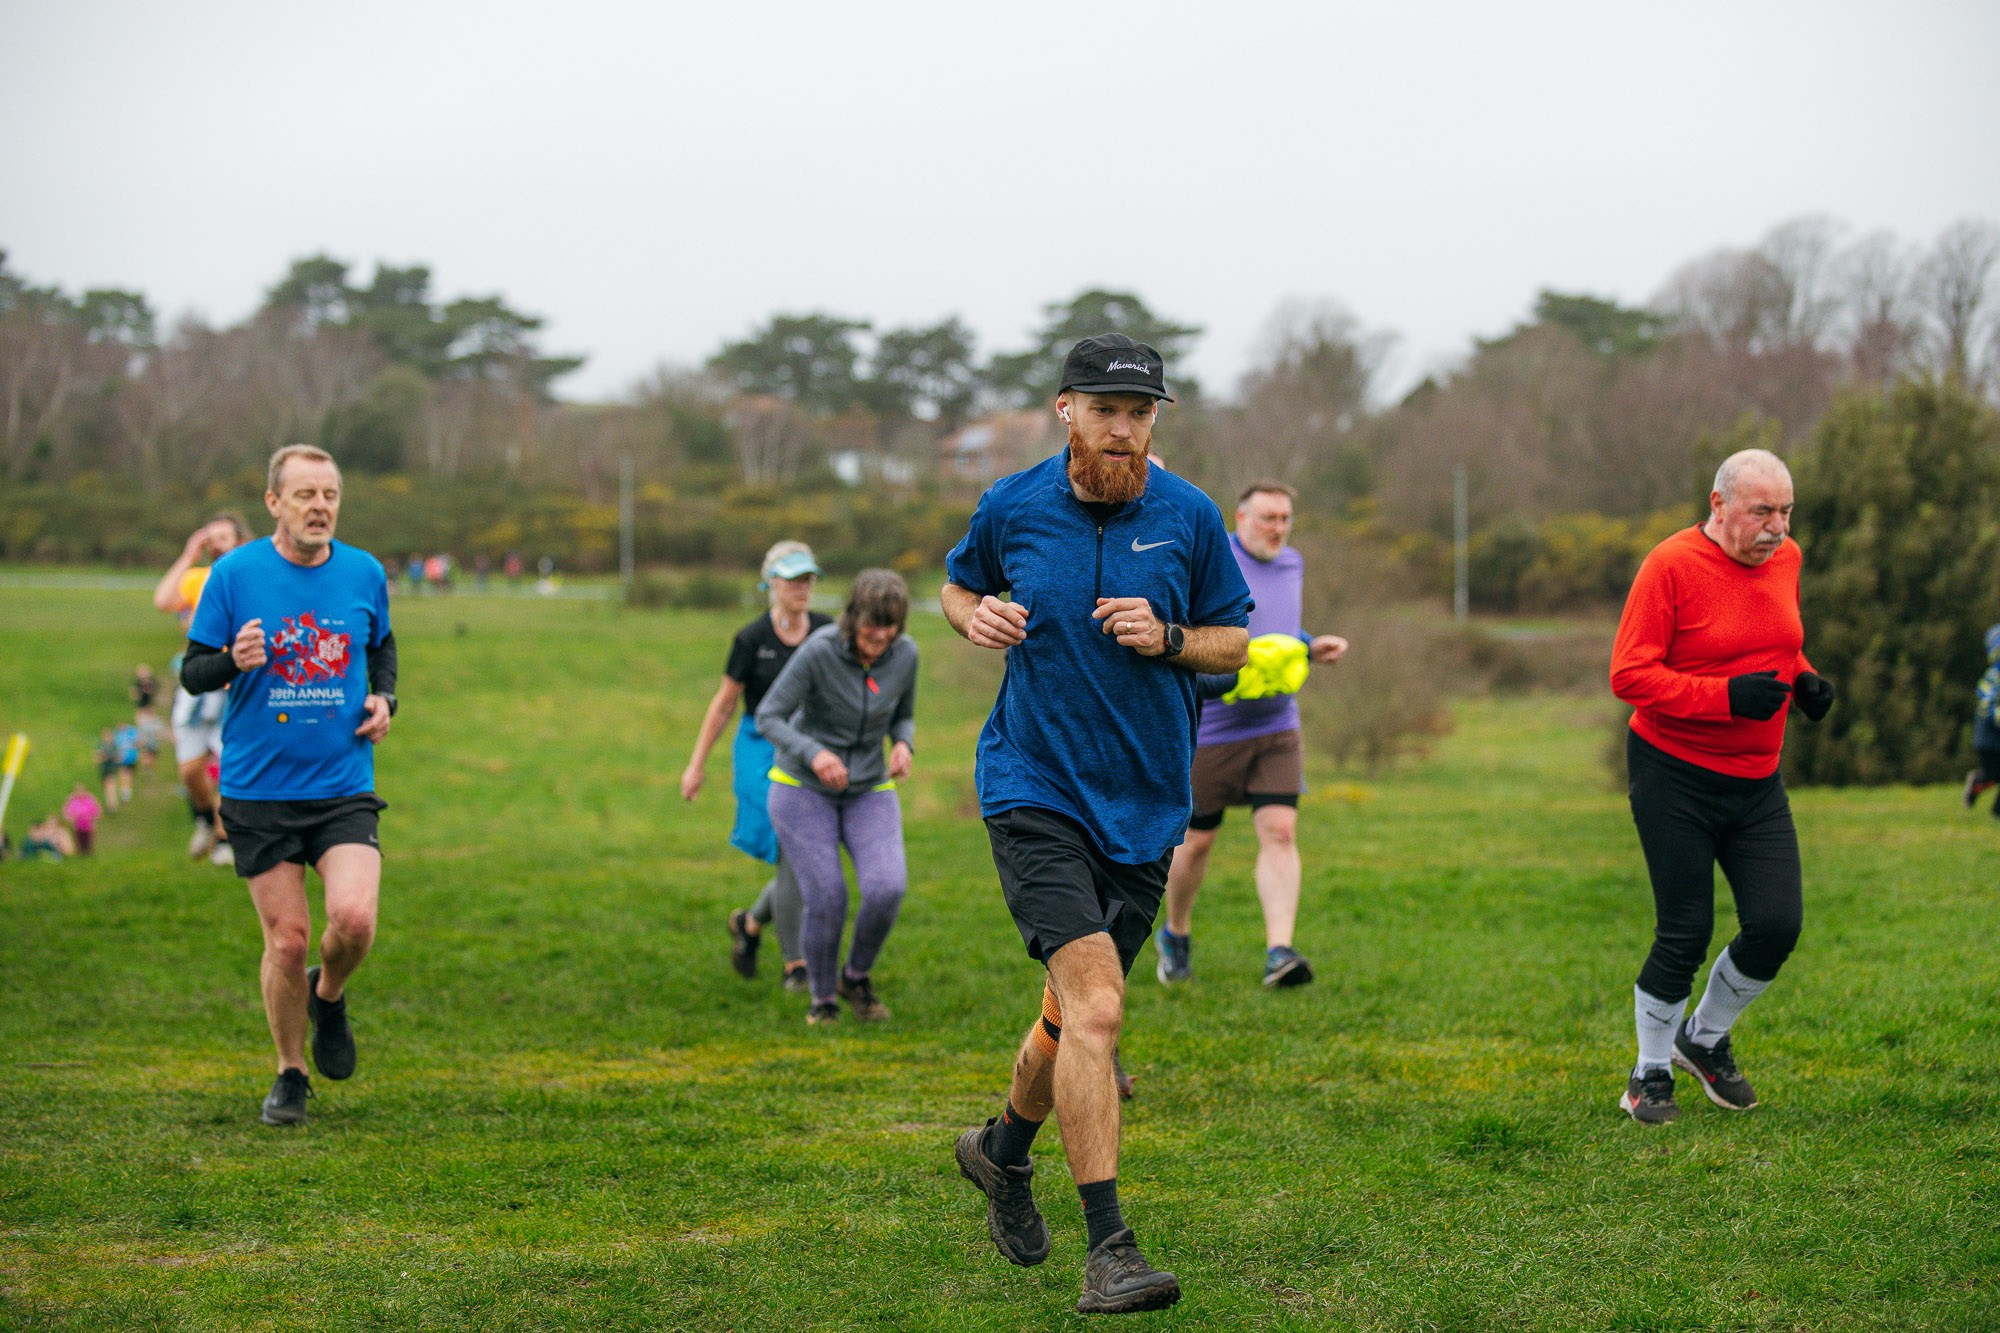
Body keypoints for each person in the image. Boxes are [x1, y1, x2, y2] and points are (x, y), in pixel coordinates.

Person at [942, 334, 1251, 1315]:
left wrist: (1165, 638)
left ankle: (999, 1152)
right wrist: (970, 615)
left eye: (1141, 410)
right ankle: (1109, 1246)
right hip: (1031, 790)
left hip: (1144, 804)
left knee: (1065, 1014)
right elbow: (956, 583)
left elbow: (1234, 644)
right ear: (1064, 408)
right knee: (1100, 1010)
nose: (1123, 427)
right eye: (1106, 408)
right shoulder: (1012, 504)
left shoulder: (1191, 516)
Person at [1609, 447, 1835, 1125]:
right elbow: (1629, 675)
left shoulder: (1785, 560)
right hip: (1672, 770)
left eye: (1787, 511)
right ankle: (1647, 1073)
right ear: (1719, 504)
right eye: (1763, 510)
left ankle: (1702, 1038)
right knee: (1686, 928)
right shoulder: (1671, 565)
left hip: (1756, 780)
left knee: (1776, 924)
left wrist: (1804, 679)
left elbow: (1778, 641)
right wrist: (1725, 696)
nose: (1778, 527)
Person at [180, 443, 398, 1128]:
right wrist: (229, 660)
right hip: (259, 789)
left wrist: (385, 697)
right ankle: (290, 1071)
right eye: (305, 494)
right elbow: (191, 673)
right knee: (288, 940)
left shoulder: (364, 571)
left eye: (329, 494)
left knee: (355, 920)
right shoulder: (233, 574)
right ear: (274, 502)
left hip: (341, 783)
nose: (320, 507)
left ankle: (327, 995)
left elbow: (381, 645)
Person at [1155, 479, 1348, 989]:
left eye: (1285, 518)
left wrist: (1309, 646)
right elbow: (1194, 636)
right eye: (1268, 518)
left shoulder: (1294, 564)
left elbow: (1281, 629)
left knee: (1281, 831)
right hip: (1214, 731)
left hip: (1278, 725)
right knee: (1196, 844)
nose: (1278, 528)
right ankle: (1175, 934)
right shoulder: (1211, 560)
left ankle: (1278, 952)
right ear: (1239, 519)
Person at [755, 570, 919, 1025]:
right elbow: (769, 715)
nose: (879, 638)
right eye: (870, 629)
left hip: (868, 785)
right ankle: (822, 999)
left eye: (889, 629)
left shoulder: (905, 655)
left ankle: (856, 976)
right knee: (827, 895)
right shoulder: (819, 652)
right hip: (802, 787)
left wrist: (904, 743)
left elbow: (903, 716)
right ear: (852, 620)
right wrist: (815, 753)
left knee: (888, 887)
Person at [680, 541, 832, 991]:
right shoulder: (751, 639)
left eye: (809, 579)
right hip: (758, 749)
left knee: (801, 854)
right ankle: (796, 964)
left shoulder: (826, 631)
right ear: (772, 584)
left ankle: (750, 924)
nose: (803, 588)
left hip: (810, 749)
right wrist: (696, 765)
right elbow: (724, 703)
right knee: (792, 848)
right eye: (794, 579)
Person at [155, 512, 253, 865]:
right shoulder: (201, 578)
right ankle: (204, 820)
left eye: (224, 536)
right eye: (211, 537)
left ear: (240, 541)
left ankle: (227, 840)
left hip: (237, 683)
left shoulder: (250, 577)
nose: (216, 543)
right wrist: (188, 555)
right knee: (190, 767)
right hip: (201, 681)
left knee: (231, 764)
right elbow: (164, 601)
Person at [1962, 625, 2000, 817]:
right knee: (1992, 774)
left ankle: (1997, 812)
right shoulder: (1993, 677)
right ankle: (1976, 784)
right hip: (1989, 737)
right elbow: (1986, 701)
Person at [63, 783, 102, 855]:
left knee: (88, 841)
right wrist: (71, 818)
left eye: (82, 791)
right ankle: (80, 853)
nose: (80, 793)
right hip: (77, 825)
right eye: (78, 791)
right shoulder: (72, 801)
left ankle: (89, 852)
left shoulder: (90, 800)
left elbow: (97, 810)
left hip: (88, 824)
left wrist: (93, 818)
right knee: (79, 841)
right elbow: (67, 811)